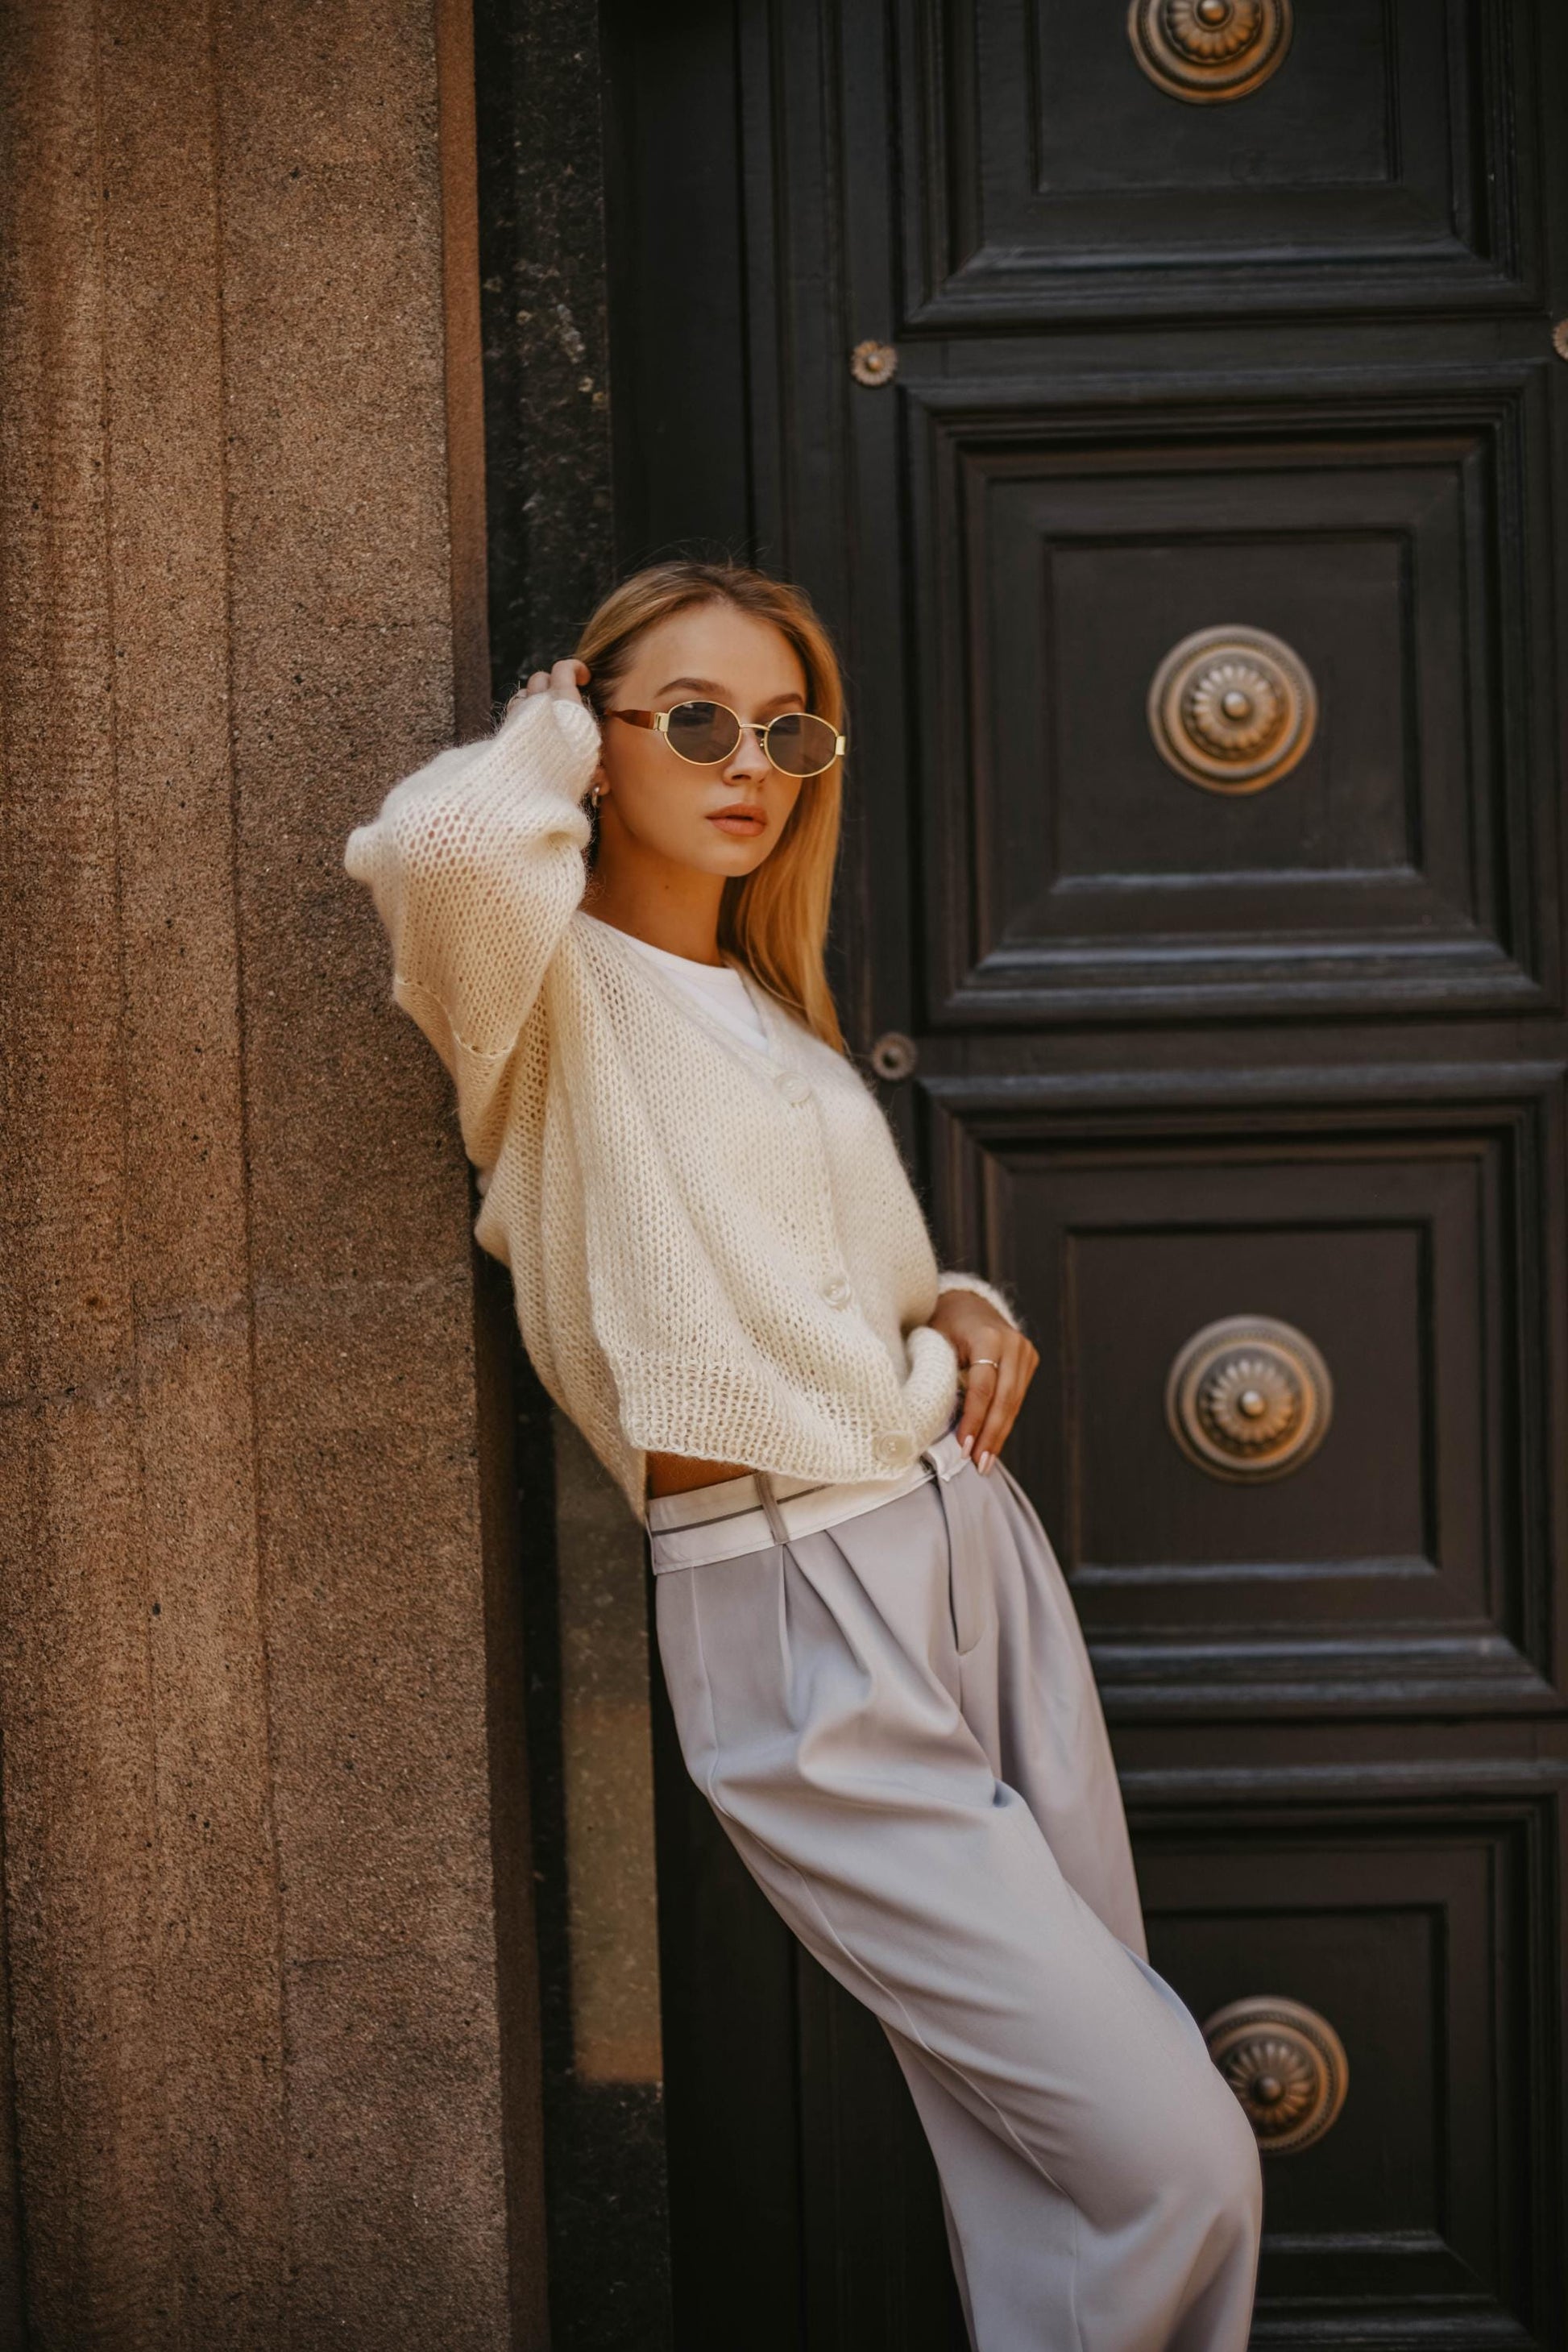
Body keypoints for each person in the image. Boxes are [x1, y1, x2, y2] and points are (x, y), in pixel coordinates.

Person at [345, 558, 1262, 2350]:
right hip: (795, 1605)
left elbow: (863, 1298)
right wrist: (555, 720)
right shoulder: (542, 1000)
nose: (747, 761)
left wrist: (969, 1308)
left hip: (960, 1548)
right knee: (1181, 2156)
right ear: (603, 739)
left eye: (785, 728)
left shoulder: (768, 1013)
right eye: (691, 720)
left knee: (1055, 2157)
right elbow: (441, 851)